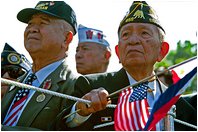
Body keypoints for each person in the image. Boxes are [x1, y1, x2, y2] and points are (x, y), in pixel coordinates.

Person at [58, 1, 196, 131]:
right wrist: (81, 110)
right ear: (118, 52)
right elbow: (59, 126)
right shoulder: (90, 87)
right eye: (126, 34)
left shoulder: (180, 106)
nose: (133, 40)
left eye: (144, 33)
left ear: (162, 51)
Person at [1, 1, 78, 130]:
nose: (32, 29)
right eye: (30, 23)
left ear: (66, 38)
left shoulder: (74, 86)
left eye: (43, 23)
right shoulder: (15, 84)